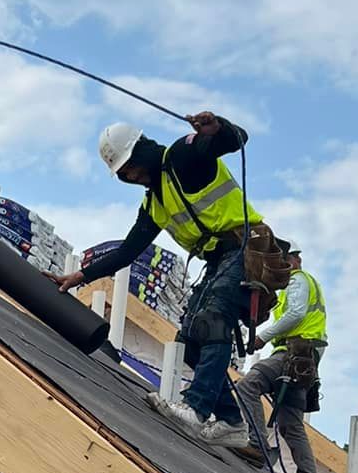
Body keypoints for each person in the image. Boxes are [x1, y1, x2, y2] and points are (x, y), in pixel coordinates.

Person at [57, 112, 264, 443]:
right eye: (124, 175)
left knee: (211, 319)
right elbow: (127, 251)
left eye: (131, 167)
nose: (133, 176)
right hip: (219, 259)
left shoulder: (182, 158)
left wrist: (219, 129)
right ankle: (232, 424)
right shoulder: (155, 202)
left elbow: (234, 141)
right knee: (191, 344)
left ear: (141, 150)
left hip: (246, 247)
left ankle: (196, 410)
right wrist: (79, 276)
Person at [233, 249, 327, 473]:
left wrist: (263, 336)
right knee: (290, 423)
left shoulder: (297, 279)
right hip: (305, 360)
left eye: (281, 261)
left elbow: (295, 314)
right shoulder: (305, 283)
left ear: (293, 261)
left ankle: (257, 446)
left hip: (294, 352)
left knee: (248, 385)